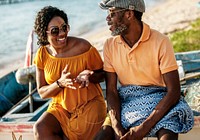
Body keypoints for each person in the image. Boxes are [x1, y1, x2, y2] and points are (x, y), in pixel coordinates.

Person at [94, 0, 194, 140]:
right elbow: (111, 91)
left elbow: (174, 92)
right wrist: (116, 126)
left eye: (112, 13)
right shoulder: (110, 45)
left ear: (129, 14)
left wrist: (144, 127)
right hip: (127, 102)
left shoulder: (161, 41)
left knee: (168, 136)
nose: (107, 19)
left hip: (160, 100)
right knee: (102, 136)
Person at [33, 6, 107, 140]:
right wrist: (59, 83)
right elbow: (42, 92)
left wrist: (89, 75)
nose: (61, 34)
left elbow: (103, 74)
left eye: (64, 28)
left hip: (89, 104)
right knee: (40, 128)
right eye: (55, 31)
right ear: (45, 33)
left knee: (78, 131)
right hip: (60, 108)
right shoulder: (42, 54)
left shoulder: (83, 47)